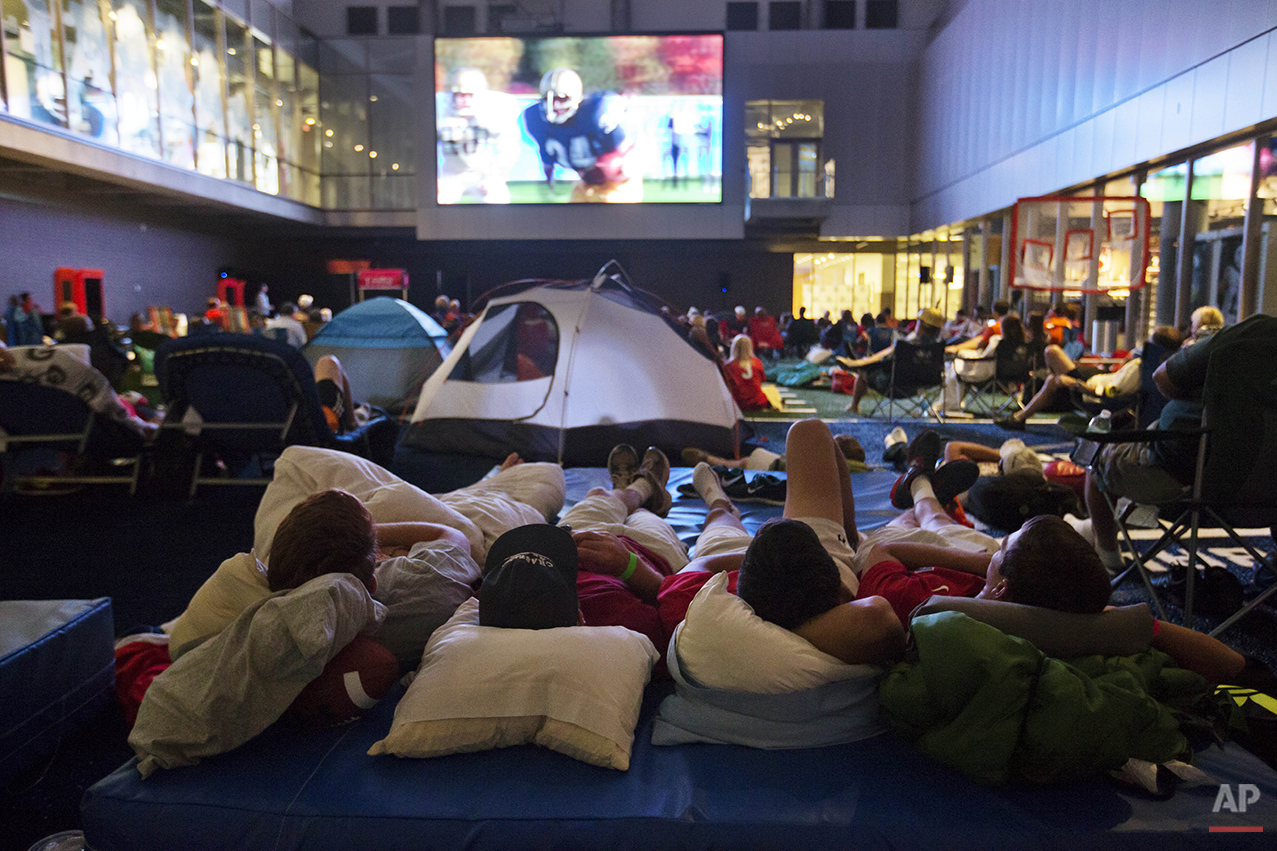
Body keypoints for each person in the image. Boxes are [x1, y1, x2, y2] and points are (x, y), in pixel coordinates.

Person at [856, 432, 1248, 684]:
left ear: (1004, 584)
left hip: (947, 561)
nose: (1000, 544)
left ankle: (918, 478)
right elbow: (1230, 662)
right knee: (934, 519)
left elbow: (882, 551)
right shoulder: (1069, 613)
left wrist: (978, 561)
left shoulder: (924, 609)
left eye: (1004, 544)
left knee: (926, 519)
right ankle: (920, 482)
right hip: (995, 576)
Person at [1083, 312, 1277, 574]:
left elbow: (1164, 379)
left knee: (1097, 457)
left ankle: (1107, 560)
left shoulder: (1255, 333)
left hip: (1192, 482)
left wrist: (1195, 367)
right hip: (1268, 497)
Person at [996, 325, 1183, 430]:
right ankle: (1042, 399)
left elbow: (1111, 392)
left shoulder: (1142, 369)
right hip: (1103, 376)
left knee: (1052, 364)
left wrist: (1075, 383)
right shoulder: (1152, 367)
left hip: (1093, 387)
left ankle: (1022, 415)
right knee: (1053, 365)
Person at [521, 68, 641, 203]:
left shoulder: (595, 113)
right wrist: (549, 180)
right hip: (587, 181)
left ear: (576, 97)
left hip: (618, 182)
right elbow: (546, 155)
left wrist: (611, 166)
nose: (553, 105)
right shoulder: (536, 119)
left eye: (561, 99)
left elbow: (625, 150)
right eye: (548, 99)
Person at [0, 341, 159, 442]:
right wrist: (141, 427)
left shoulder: (13, 384)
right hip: (98, 436)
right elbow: (111, 409)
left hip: (32, 438)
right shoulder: (60, 363)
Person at [436, 67, 520, 204]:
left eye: (469, 95)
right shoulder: (440, 107)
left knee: (499, 204)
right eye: (459, 94)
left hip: (483, 175)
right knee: (437, 202)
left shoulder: (493, 109)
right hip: (450, 174)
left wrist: (495, 177)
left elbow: (509, 148)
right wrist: (433, 177)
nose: (463, 100)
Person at [841, 307, 945, 415]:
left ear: (921, 325)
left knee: (862, 372)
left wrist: (865, 363)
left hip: (895, 385)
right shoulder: (939, 348)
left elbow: (884, 360)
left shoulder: (906, 346)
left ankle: (854, 405)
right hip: (926, 384)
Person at [681, 433, 868, 474]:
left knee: (741, 464)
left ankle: (711, 461)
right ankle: (712, 461)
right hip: (779, 463)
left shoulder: (822, 466)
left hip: (773, 466)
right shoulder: (863, 472)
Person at [721, 334, 770, 411]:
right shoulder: (757, 362)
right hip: (758, 403)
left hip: (738, 404)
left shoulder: (728, 366)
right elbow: (763, 379)